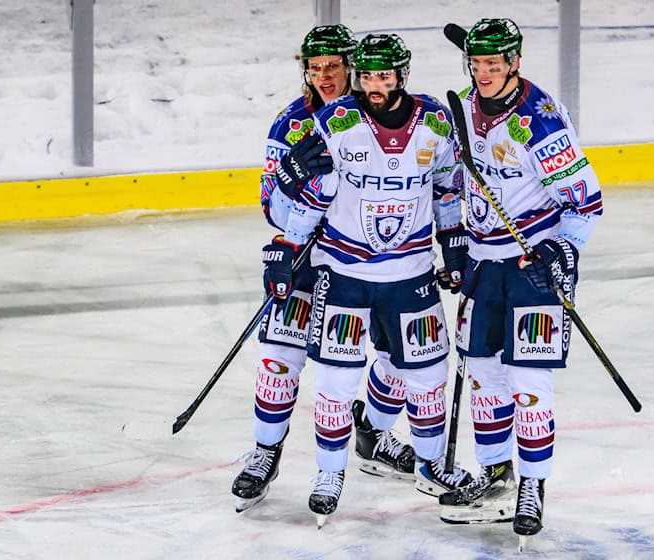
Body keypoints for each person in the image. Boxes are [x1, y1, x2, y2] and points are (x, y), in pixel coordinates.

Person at [271, 33, 473, 525]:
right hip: (344, 275)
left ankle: (432, 464)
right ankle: (329, 473)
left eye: (384, 76)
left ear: (402, 75)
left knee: (427, 375)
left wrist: (453, 240)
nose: (374, 86)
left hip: (410, 276)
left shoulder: (436, 122)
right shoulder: (335, 122)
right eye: (366, 77)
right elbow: (311, 196)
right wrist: (287, 246)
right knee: (336, 381)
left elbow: (447, 185)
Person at [231, 25, 416, 513]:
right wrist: (291, 180)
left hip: (374, 262)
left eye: (334, 65)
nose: (324, 76)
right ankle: (265, 453)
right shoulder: (291, 123)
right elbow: (270, 206)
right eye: (315, 68)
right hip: (307, 264)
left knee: (400, 357)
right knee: (278, 358)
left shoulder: (381, 114)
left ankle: (373, 432)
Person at [437, 18, 604, 543]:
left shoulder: (540, 120)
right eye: (477, 64)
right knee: (484, 374)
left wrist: (562, 248)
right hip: (485, 266)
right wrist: (457, 243)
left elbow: (586, 202)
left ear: (514, 63)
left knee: (530, 382)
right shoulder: (460, 110)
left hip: (533, 265)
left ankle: (533, 484)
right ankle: (496, 473)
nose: (483, 73)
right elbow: (449, 183)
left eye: (493, 64)